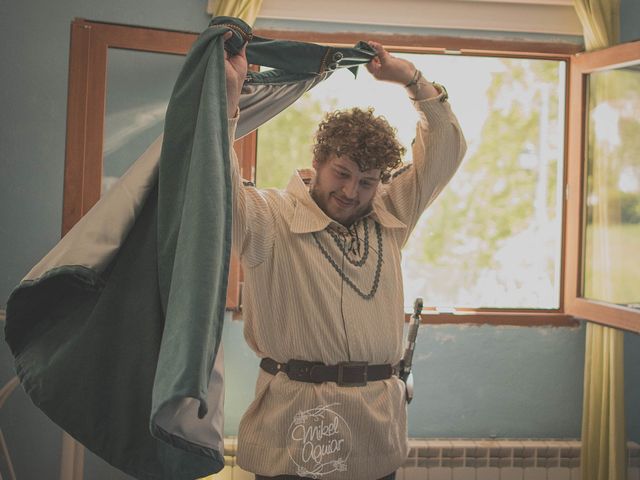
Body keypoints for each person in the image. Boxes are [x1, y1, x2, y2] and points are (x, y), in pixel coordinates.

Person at [223, 33, 466, 480]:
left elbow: (445, 153)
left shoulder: (391, 211)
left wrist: (411, 79)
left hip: (376, 436)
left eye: (367, 181)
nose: (351, 192)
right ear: (318, 161)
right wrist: (228, 101)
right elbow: (212, 179)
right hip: (293, 435)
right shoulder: (268, 217)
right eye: (342, 173)